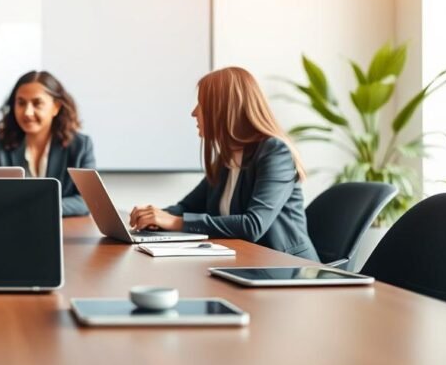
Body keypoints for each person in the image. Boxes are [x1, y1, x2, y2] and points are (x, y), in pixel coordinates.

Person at [129, 67, 319, 261]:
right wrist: (154, 217)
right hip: (244, 262)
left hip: (287, 268)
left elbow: (253, 225)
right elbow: (188, 206)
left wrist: (175, 222)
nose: (193, 113)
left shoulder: (275, 152)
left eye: (201, 104)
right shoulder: (226, 157)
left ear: (224, 109)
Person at [0, 70, 95, 217]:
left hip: (60, 230)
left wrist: (40, 207)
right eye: (21, 103)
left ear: (56, 107)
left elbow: (87, 201)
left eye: (37, 103)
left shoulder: (80, 145)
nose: (28, 112)